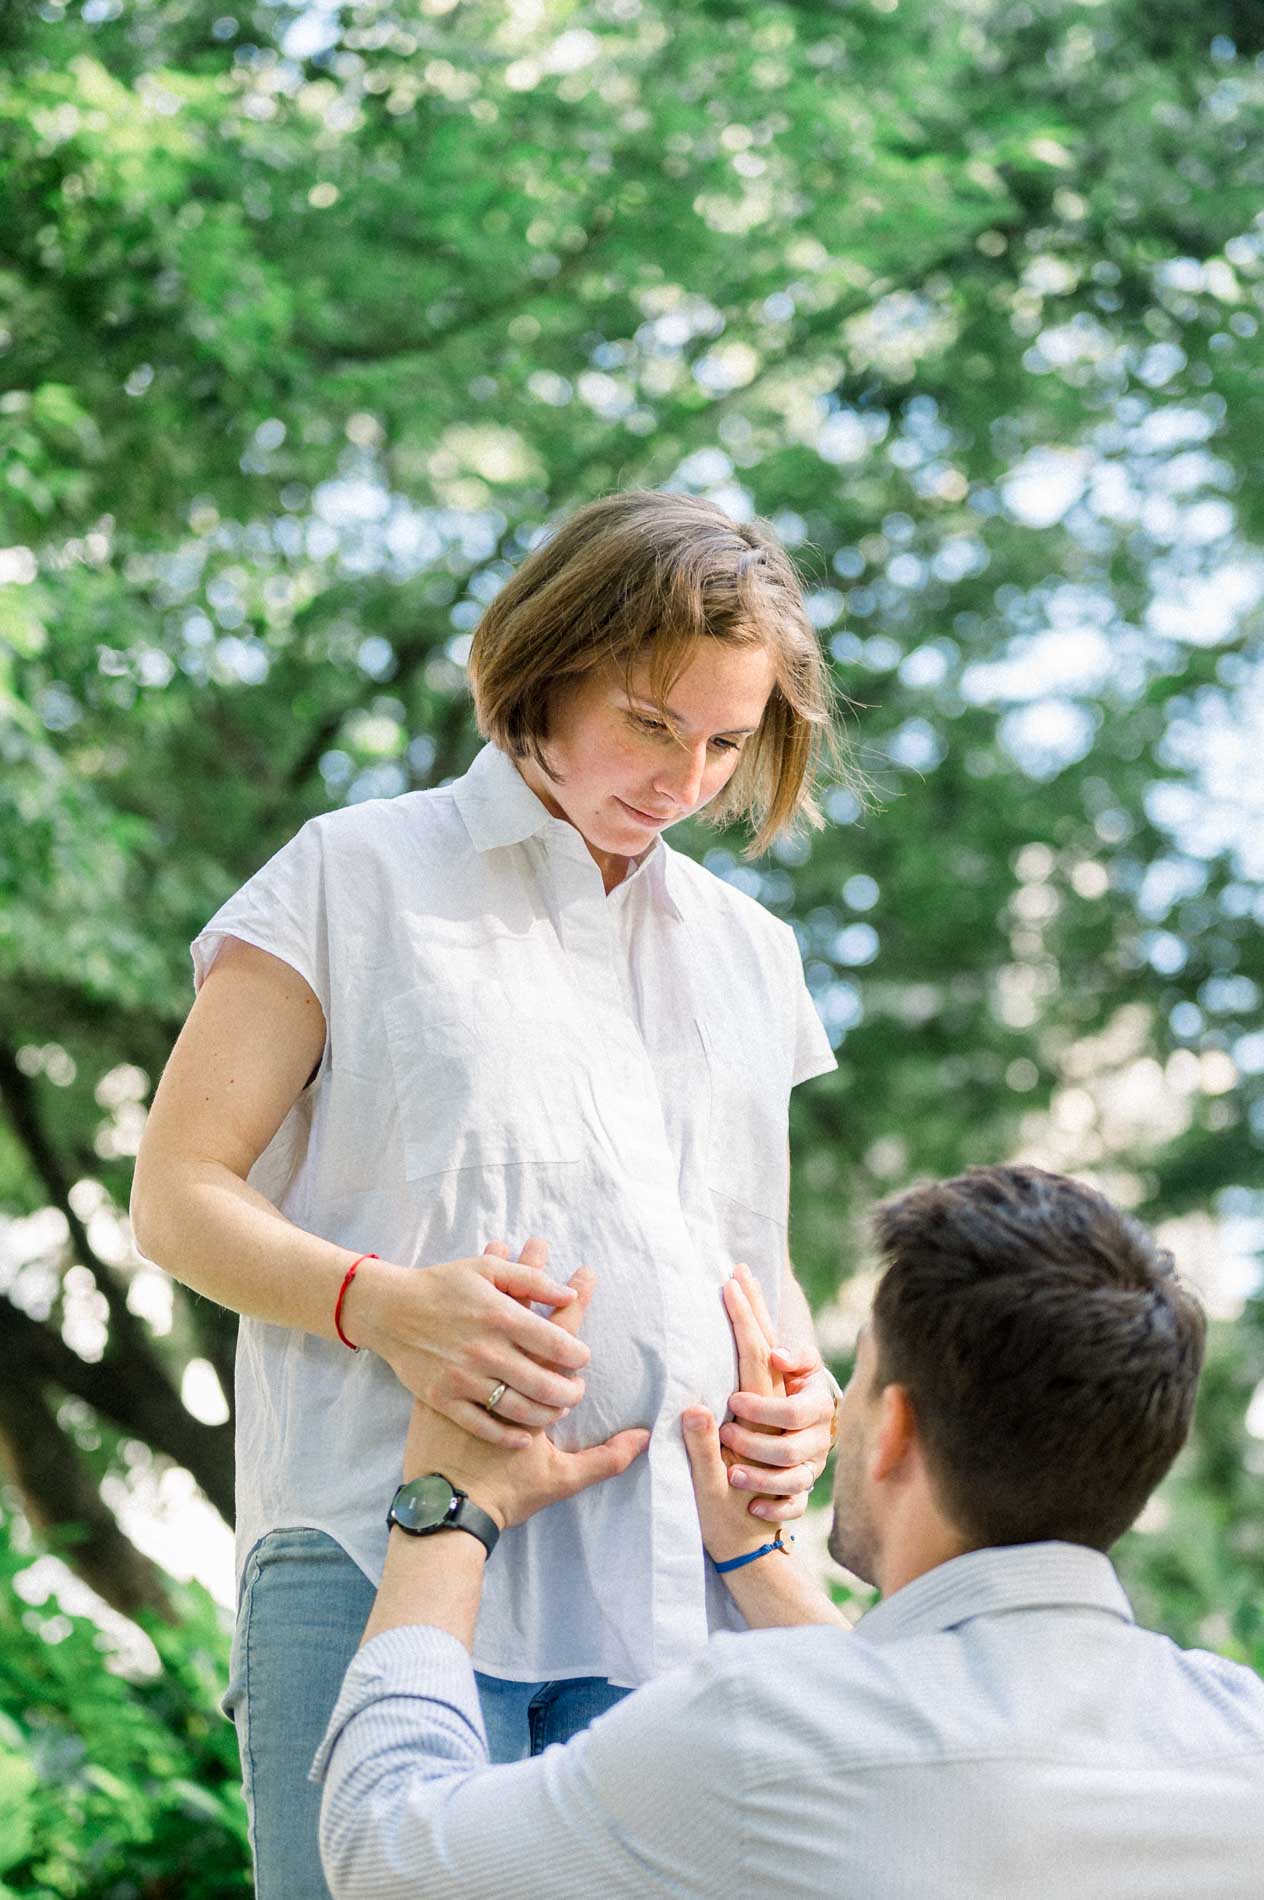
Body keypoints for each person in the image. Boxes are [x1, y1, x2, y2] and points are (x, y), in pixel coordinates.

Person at [129, 491, 845, 1897]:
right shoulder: (353, 873)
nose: (685, 779)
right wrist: (379, 1304)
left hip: (674, 1593)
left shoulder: (750, 953)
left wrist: (801, 1393)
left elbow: (749, 1255)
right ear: (547, 662)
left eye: (724, 740)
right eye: (650, 724)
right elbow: (175, 1192)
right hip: (372, 1552)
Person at [314, 1165, 1264, 1899]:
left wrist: (445, 1506)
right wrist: (758, 1565)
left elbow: (389, 1856)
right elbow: (955, 1744)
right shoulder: (1239, 1731)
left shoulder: (756, 1731)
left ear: (891, 1430)